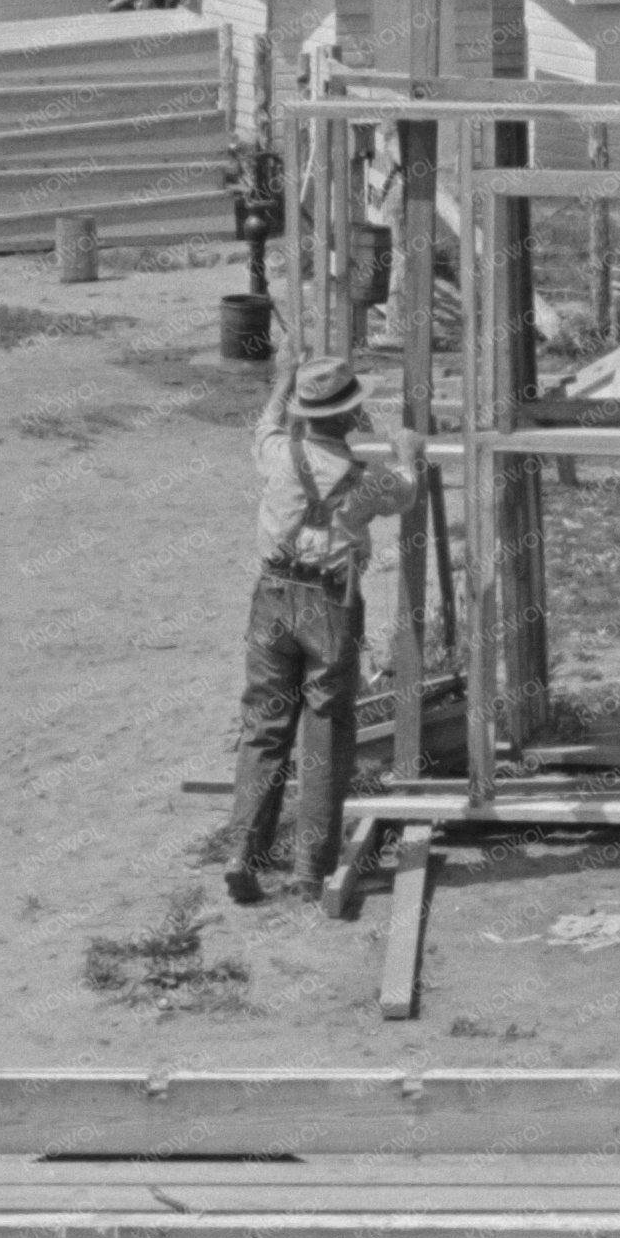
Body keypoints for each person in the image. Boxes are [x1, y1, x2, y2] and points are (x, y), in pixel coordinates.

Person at [222, 357, 424, 908]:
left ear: (305, 413)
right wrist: (407, 454)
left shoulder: (277, 456)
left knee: (264, 724)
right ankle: (311, 870)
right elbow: (404, 493)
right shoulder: (362, 481)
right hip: (329, 603)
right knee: (327, 731)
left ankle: (243, 852)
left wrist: (282, 381)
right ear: (351, 413)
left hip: (271, 596)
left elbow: (264, 424)